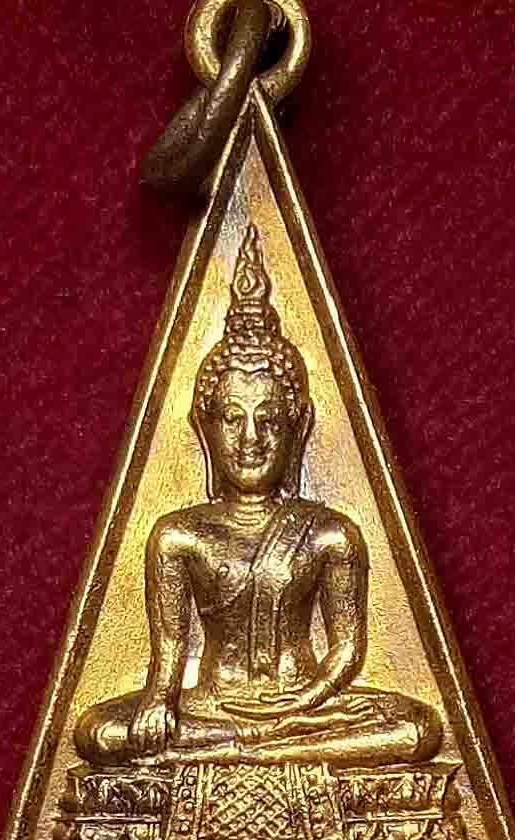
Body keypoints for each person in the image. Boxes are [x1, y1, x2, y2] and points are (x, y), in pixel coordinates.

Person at [75, 225, 442, 770]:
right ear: (204, 428)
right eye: (232, 418)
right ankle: (255, 747)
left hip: (305, 708)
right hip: (211, 706)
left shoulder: (331, 534)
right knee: (98, 733)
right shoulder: (179, 536)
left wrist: (304, 702)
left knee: (417, 729)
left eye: (269, 419)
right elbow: (168, 657)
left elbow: (346, 649)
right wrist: (157, 702)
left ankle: (249, 750)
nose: (251, 438)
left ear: (298, 427)